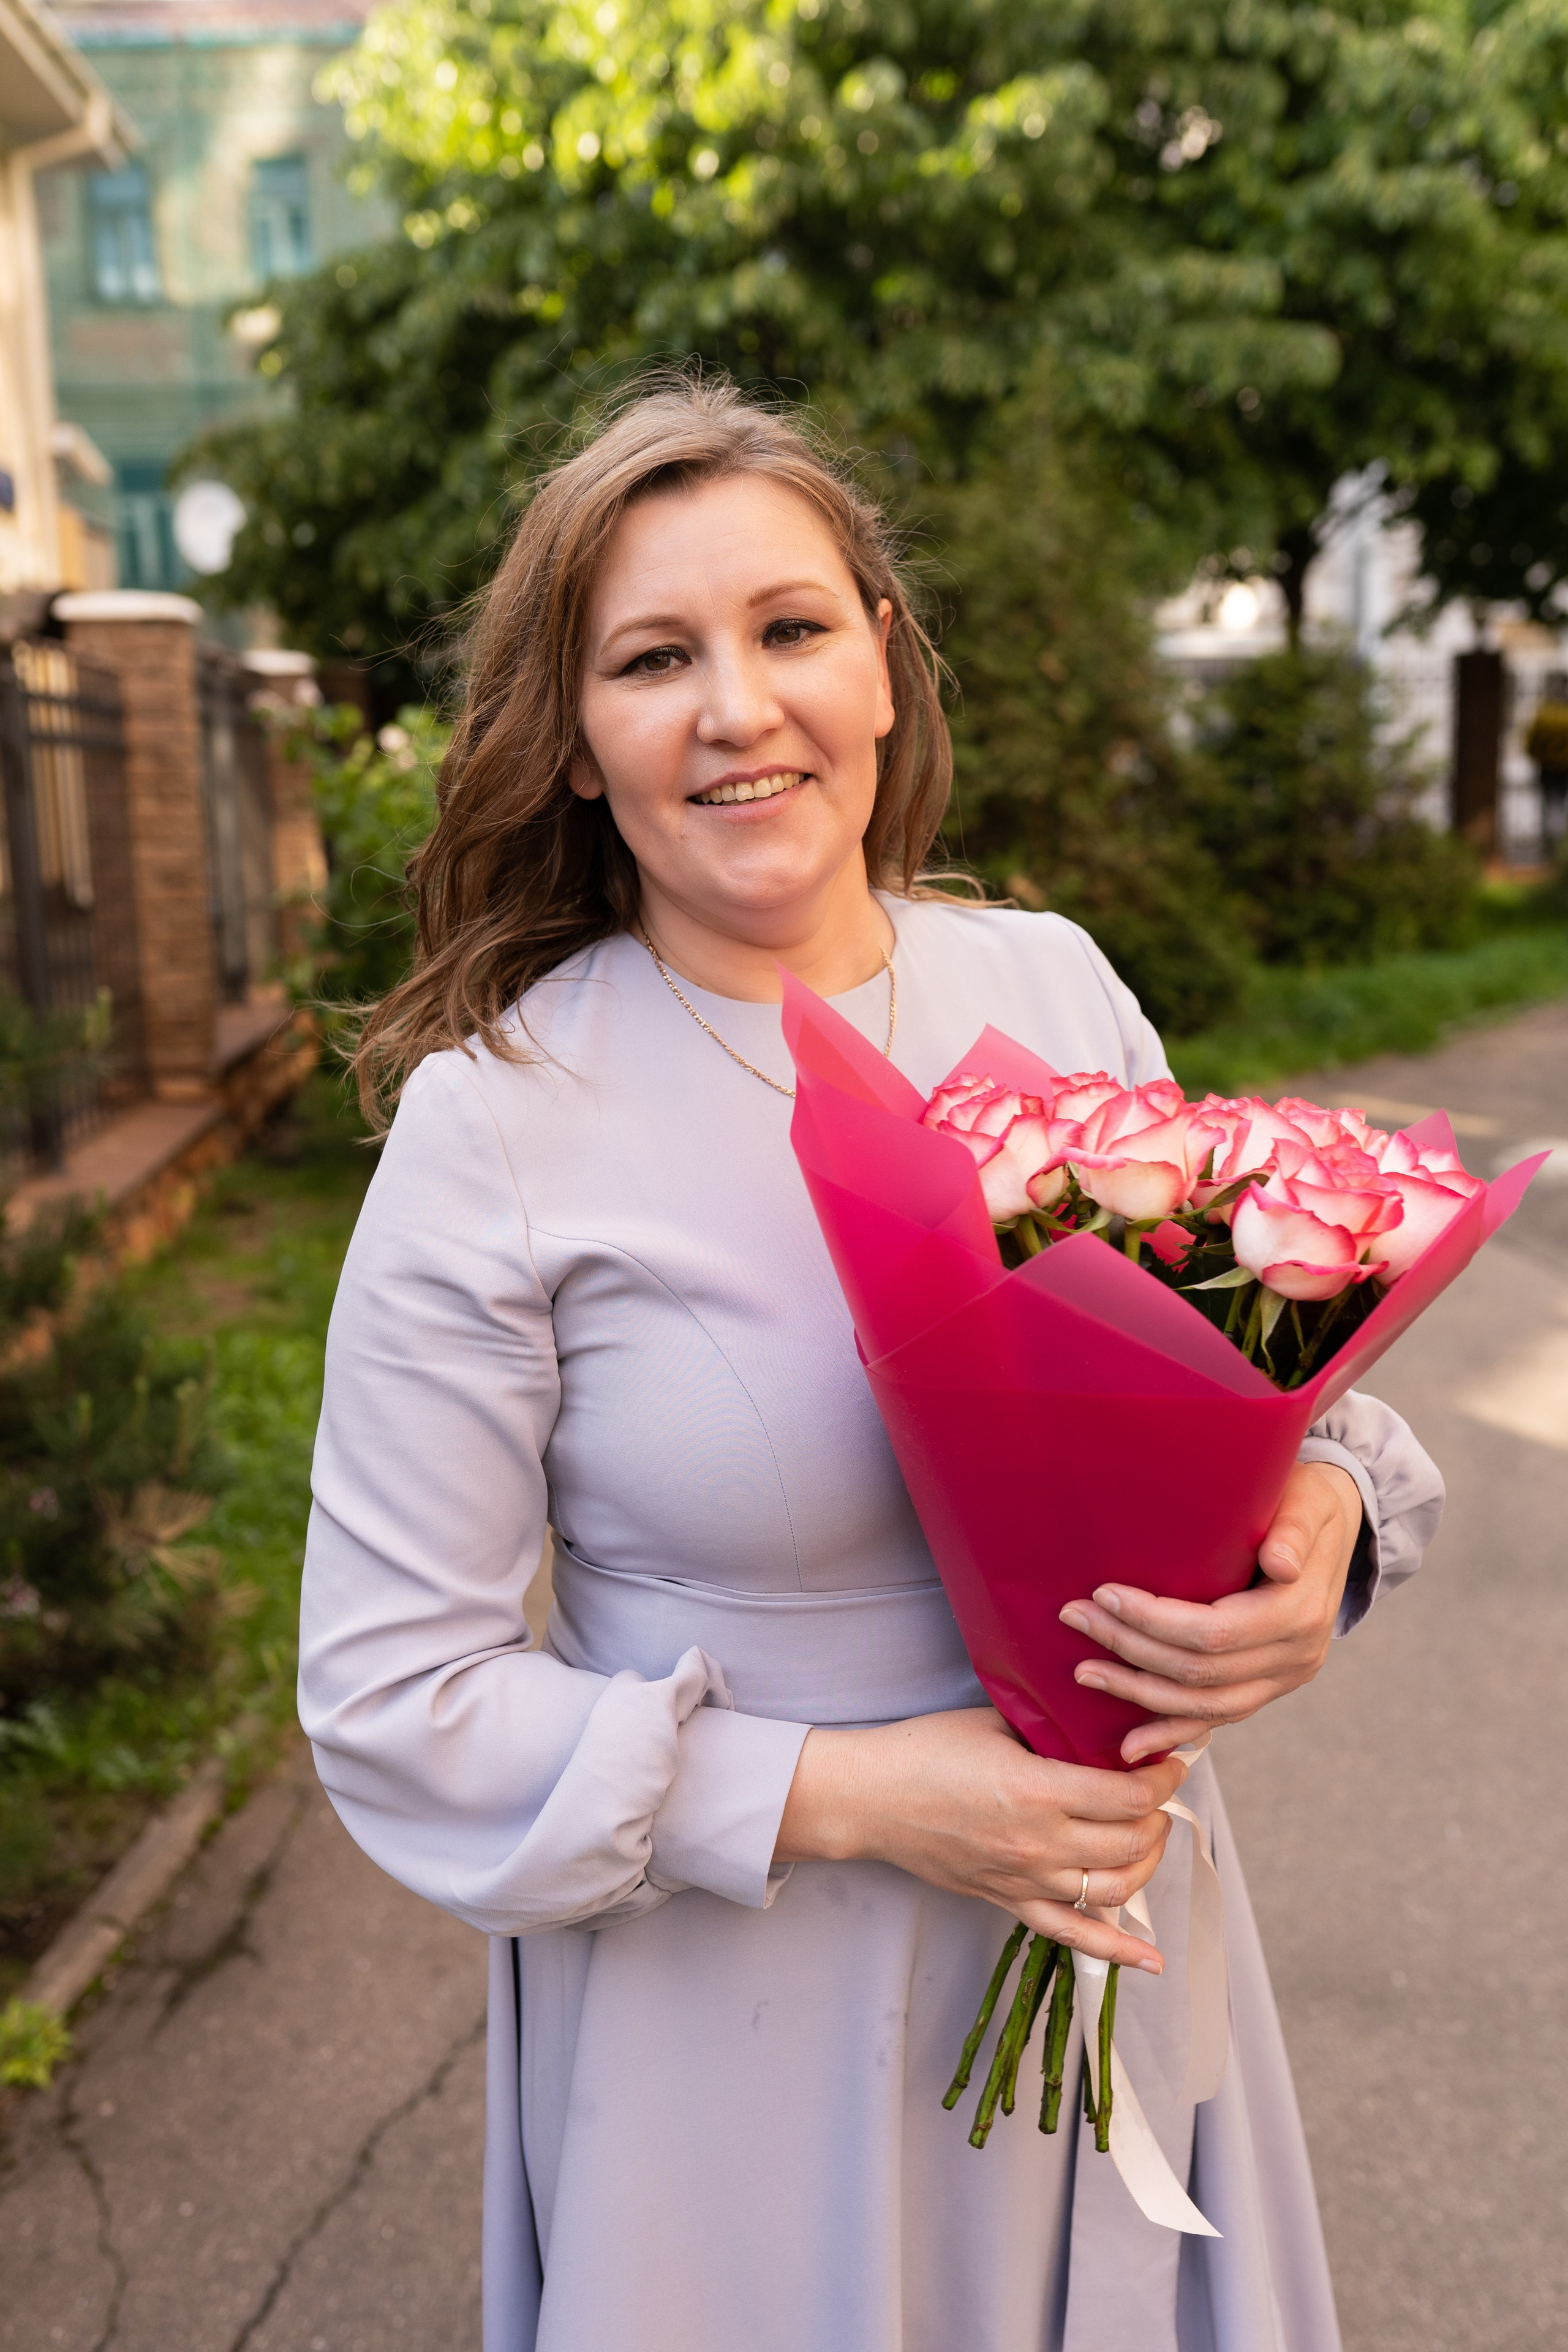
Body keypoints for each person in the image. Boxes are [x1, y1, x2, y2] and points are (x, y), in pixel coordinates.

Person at [298, 377, 1444, 2352]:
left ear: (886, 670)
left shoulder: (1049, 986)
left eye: (791, 629)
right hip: (738, 2017)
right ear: (578, 746)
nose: (737, 708)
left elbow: (1279, 1384)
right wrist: (854, 1797)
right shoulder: (499, 1121)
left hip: (1114, 1938)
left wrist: (1322, 1535)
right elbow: (397, 1703)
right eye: (654, 660)